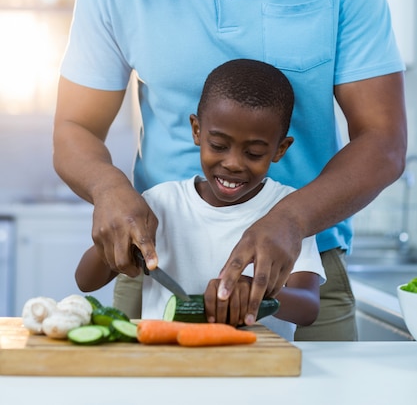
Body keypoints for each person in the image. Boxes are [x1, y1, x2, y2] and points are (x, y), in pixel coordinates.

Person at [53, 0, 407, 341]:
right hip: (157, 268)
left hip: (297, 265)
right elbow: (74, 129)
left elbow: (383, 141)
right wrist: (107, 188)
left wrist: (291, 219)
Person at [75, 59, 325, 341]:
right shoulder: (160, 202)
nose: (232, 163)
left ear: (280, 149)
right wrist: (115, 236)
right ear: (196, 131)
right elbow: (85, 281)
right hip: (166, 366)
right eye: (218, 146)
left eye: (254, 153)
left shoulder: (288, 210)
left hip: (256, 368)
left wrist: (256, 293)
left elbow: (308, 306)